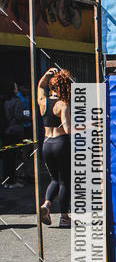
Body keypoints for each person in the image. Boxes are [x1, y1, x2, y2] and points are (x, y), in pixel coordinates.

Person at [37, 67, 72, 228]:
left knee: (53, 179)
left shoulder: (42, 101)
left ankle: (46, 204)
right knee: (64, 181)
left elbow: (39, 86)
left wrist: (46, 75)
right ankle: (64, 217)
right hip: (61, 143)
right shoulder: (62, 104)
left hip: (46, 144)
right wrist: (88, 125)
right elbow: (68, 129)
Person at [2, 82, 25, 187]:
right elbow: (19, 116)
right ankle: (12, 181)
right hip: (14, 130)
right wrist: (28, 116)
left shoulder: (3, 100)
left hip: (5, 131)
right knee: (13, 157)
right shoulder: (16, 101)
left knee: (7, 158)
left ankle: (7, 180)